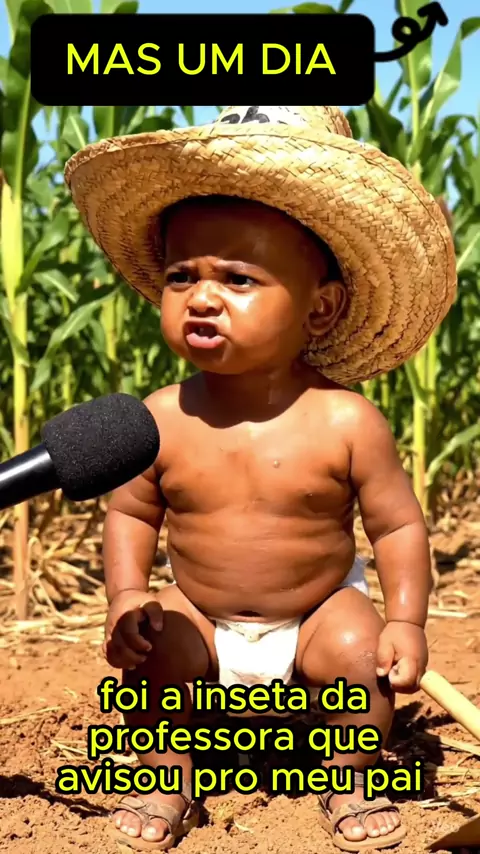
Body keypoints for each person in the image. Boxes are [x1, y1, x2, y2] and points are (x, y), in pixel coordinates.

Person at [65, 105, 457, 852]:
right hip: (202, 612)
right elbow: (132, 514)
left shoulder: (345, 420)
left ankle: (349, 776)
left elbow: (397, 525)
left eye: (239, 278)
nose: (202, 297)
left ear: (321, 307)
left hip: (314, 616)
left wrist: (405, 620)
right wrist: (126, 597)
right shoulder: (160, 418)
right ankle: (169, 776)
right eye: (182, 276)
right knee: (158, 648)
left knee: (359, 650)